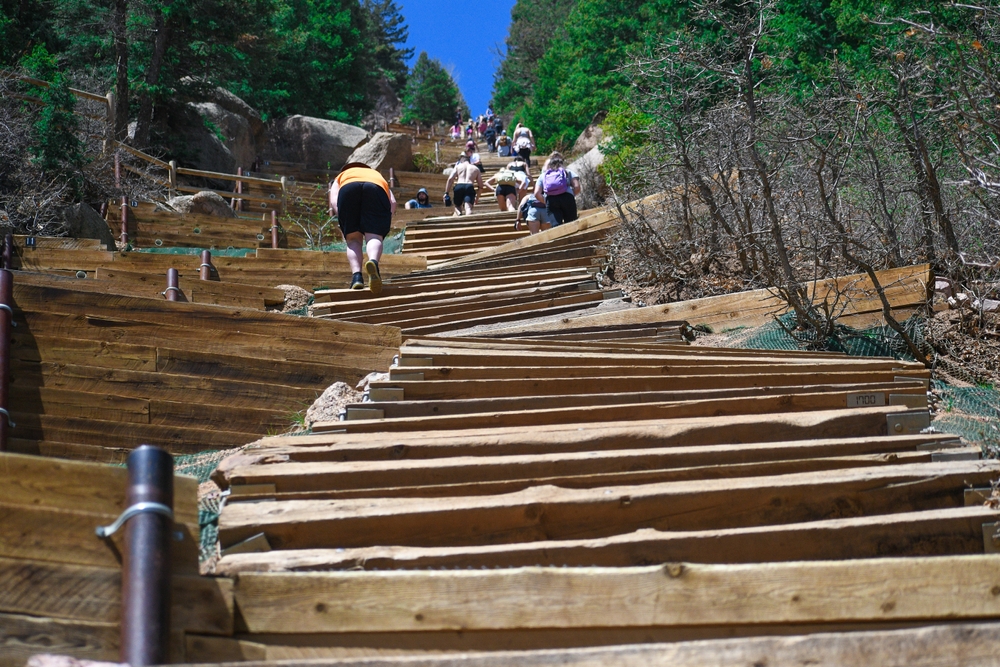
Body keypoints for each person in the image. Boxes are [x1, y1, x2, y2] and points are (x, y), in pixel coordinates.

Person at [328, 161, 396, 294]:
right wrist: (385, 219)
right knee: (374, 236)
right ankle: (373, 262)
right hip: (375, 189)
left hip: (347, 189)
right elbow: (392, 201)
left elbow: (334, 200)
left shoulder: (341, 176)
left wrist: (343, 219)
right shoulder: (376, 174)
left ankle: (357, 277)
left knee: (353, 240)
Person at [534, 152, 582, 226]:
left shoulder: (543, 175)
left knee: (556, 225)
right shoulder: (568, 172)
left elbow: (537, 193)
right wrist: (571, 194)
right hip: (567, 198)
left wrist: (546, 201)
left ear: (549, 165)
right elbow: (577, 187)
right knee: (572, 224)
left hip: (551, 199)